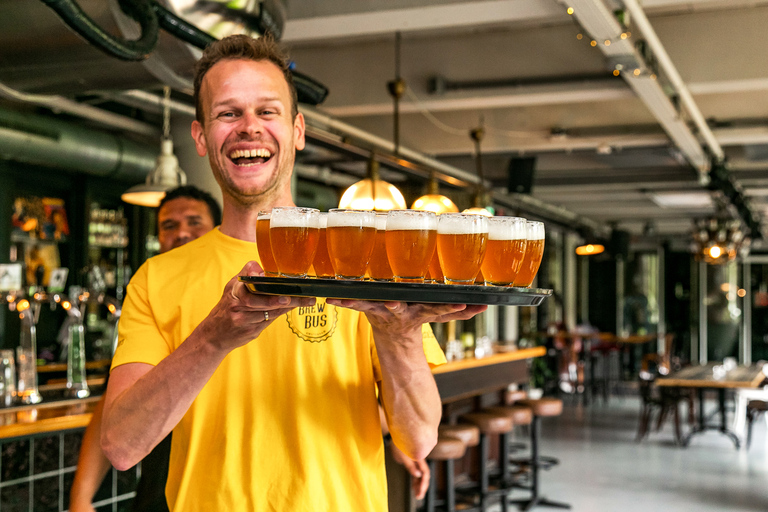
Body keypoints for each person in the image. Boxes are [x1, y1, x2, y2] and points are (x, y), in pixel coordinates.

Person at [100, 34, 485, 511]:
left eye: (267, 111)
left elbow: (419, 439)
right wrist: (213, 338)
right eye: (227, 113)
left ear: (297, 130)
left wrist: (398, 335)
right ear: (200, 137)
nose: (248, 128)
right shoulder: (156, 278)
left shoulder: (365, 262)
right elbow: (120, 446)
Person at [69, 186, 221, 512]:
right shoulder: (150, 290)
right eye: (169, 225)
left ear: (216, 230)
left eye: (194, 222)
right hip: (161, 487)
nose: (181, 232)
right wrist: (81, 497)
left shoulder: (243, 294)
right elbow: (112, 410)